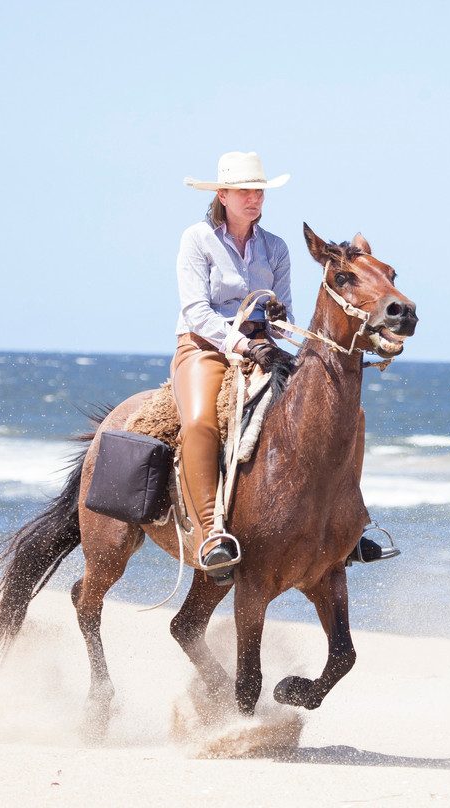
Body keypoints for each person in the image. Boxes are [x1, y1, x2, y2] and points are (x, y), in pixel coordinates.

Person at [175, 151, 295, 583]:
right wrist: (244, 344)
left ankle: (346, 523)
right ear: (222, 195)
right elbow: (196, 311)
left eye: (258, 190)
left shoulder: (276, 247)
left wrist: (279, 322)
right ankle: (211, 532)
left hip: (262, 347)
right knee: (201, 422)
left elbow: (284, 323)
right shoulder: (197, 238)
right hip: (204, 347)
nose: (253, 198)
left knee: (324, 409)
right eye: (244, 191)